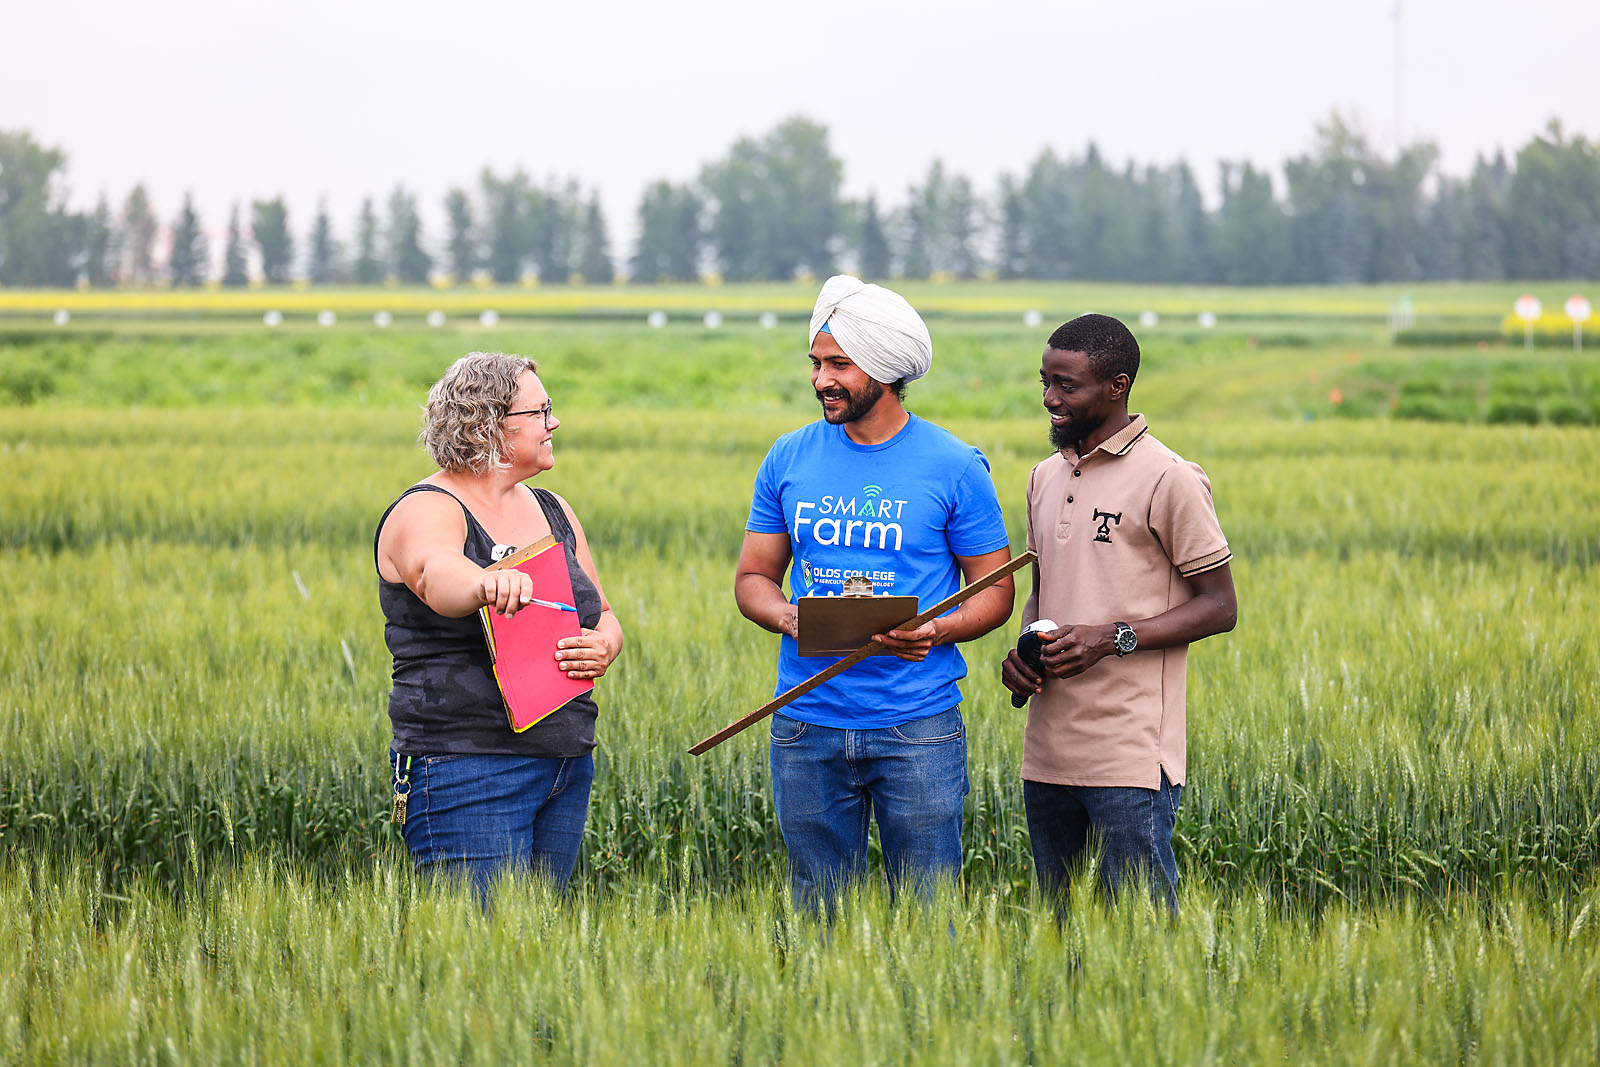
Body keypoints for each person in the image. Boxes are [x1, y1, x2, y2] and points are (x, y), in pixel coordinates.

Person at [735, 275, 1016, 907]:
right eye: (816, 363)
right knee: (817, 911)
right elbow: (753, 579)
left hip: (917, 725)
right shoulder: (788, 457)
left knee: (927, 909)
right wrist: (789, 619)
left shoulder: (954, 465)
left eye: (839, 364)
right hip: (806, 723)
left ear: (885, 370)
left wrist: (935, 630)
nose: (821, 379)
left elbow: (995, 592)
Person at [1001, 314, 1236, 913]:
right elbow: (1043, 594)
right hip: (1048, 754)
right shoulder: (1043, 477)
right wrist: (1025, 655)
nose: (1051, 399)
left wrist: (1115, 638)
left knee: (1137, 941)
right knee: (1059, 935)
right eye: (1045, 382)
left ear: (1117, 386)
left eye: (1068, 385)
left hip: (1129, 757)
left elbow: (1220, 606)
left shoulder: (1169, 477)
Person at [375, 352, 622, 899]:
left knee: (533, 954)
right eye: (540, 411)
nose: (554, 422)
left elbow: (601, 613)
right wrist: (485, 584)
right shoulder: (428, 508)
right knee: (478, 957)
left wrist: (604, 645)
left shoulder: (553, 509)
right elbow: (435, 573)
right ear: (489, 425)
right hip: (470, 767)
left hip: (565, 762)